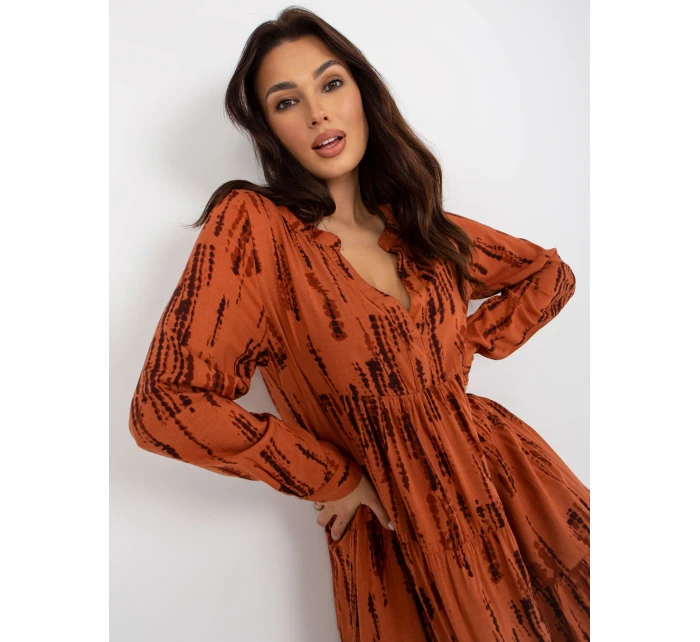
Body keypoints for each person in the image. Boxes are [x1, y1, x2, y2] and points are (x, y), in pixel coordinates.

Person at [128, 7, 589, 641]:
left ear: (362, 94)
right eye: (287, 101)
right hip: (400, 527)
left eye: (331, 83)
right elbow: (166, 405)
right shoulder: (254, 230)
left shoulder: (417, 226)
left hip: (516, 489)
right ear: (268, 129)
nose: (318, 112)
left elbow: (548, 274)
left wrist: (465, 344)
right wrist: (328, 476)